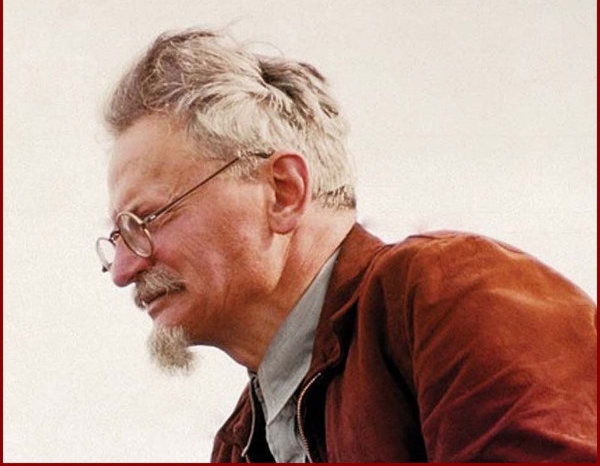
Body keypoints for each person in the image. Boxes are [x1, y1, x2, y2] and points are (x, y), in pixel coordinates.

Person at [96, 27, 597, 462]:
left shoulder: (445, 295)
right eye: (118, 236)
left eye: (147, 219)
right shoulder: (239, 446)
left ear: (283, 192)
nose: (123, 270)